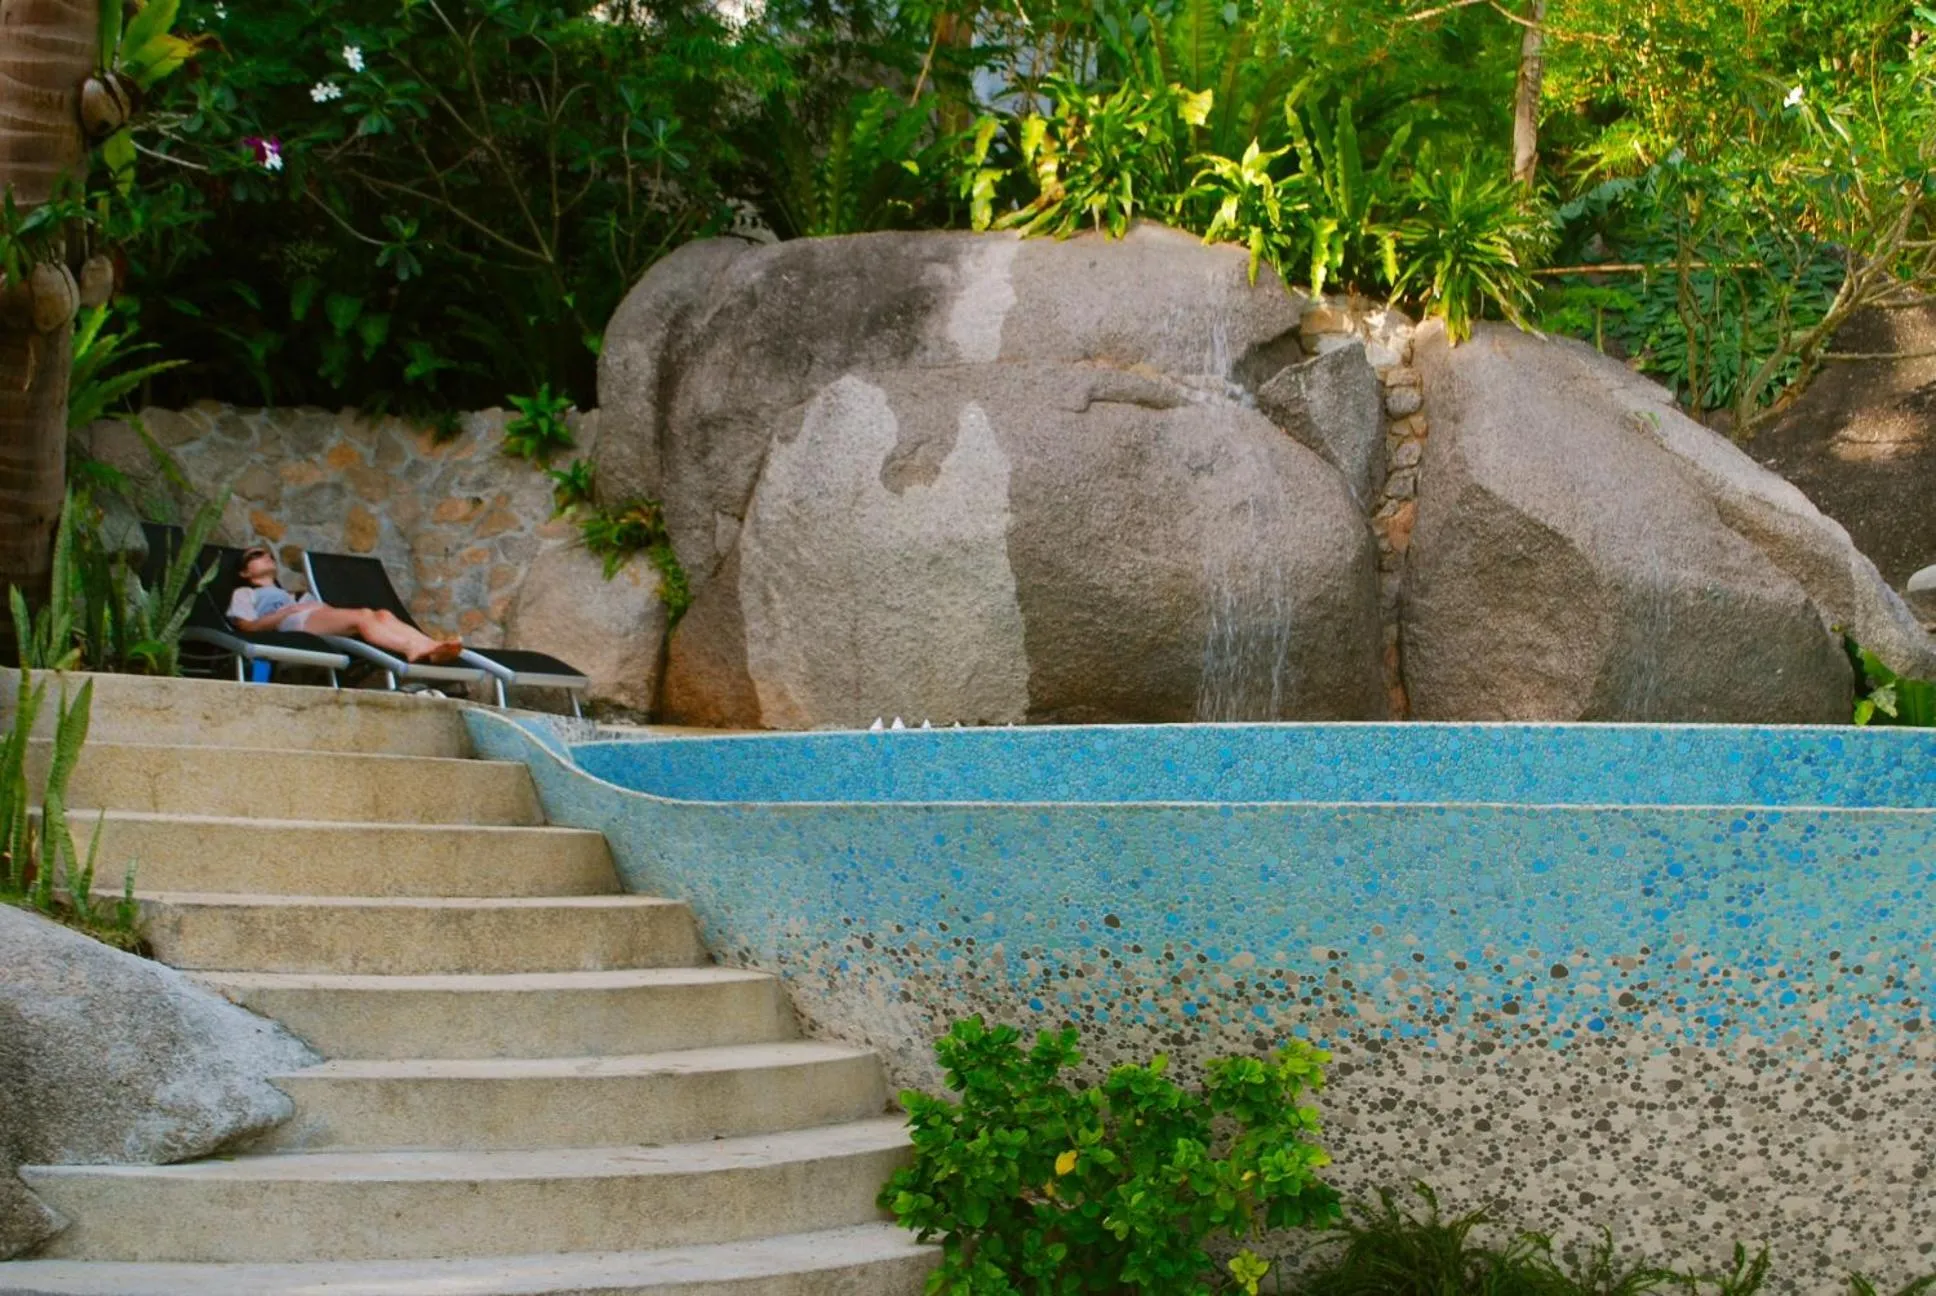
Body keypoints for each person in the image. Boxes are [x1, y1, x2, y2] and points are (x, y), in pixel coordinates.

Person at [226, 546, 463, 664]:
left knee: (381, 614)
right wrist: (285, 613)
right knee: (362, 616)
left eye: (268, 554)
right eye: (256, 555)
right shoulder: (245, 592)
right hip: (292, 622)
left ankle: (431, 647)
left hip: (311, 614)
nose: (266, 556)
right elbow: (246, 627)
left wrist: (302, 604)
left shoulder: (290, 594)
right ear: (245, 571)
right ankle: (410, 648)